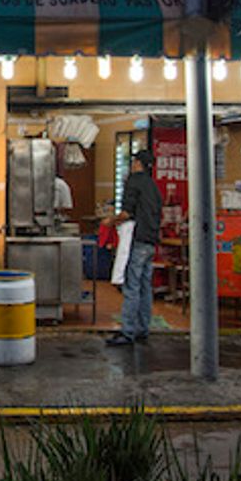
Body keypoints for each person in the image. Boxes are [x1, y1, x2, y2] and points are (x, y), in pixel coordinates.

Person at [105, 149, 163, 347]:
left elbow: (127, 213)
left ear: (137, 163)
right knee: (145, 287)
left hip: (137, 241)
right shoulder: (154, 186)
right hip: (151, 241)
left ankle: (127, 331)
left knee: (131, 286)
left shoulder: (134, 181)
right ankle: (142, 328)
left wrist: (110, 221)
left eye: (134, 162)